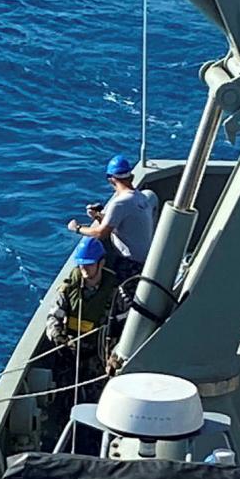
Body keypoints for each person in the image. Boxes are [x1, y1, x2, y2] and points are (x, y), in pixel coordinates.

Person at [66, 154, 154, 282]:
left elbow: (101, 234)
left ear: (111, 180)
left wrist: (77, 228)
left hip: (130, 264)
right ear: (131, 177)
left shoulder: (120, 203)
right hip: (145, 261)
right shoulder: (141, 198)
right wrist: (98, 216)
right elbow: (124, 225)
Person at [46, 237, 119, 385]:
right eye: (81, 264)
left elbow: (125, 327)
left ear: (101, 263)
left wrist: (115, 355)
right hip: (69, 353)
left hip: (99, 358)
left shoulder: (115, 293)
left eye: (89, 264)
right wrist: (57, 336)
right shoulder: (69, 288)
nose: (84, 268)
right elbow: (54, 316)